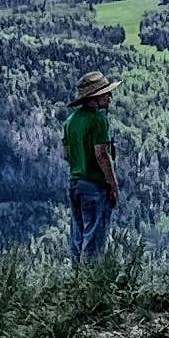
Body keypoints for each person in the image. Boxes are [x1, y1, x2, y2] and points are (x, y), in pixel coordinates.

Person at [63, 70, 119, 266]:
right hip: (95, 186)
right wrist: (113, 186)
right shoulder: (98, 120)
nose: (110, 97)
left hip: (75, 184)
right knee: (94, 241)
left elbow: (66, 155)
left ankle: (76, 284)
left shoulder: (70, 122)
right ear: (95, 97)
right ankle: (91, 287)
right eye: (106, 93)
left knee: (78, 237)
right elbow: (102, 155)